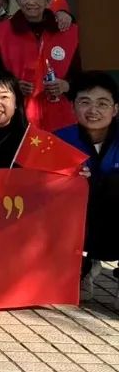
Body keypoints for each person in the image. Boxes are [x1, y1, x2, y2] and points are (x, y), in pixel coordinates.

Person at [0, 0, 80, 132]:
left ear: (48, 0)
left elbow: (79, 76)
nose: (31, 2)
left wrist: (66, 85)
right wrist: (12, 86)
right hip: (16, 116)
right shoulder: (0, 32)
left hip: (60, 117)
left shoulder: (66, 31)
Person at [55, 72, 119, 278]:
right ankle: (81, 270)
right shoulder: (57, 141)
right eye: (85, 102)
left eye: (102, 104)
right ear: (72, 106)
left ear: (115, 109)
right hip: (76, 222)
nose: (93, 110)